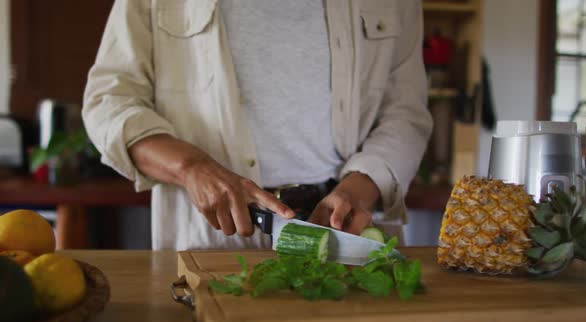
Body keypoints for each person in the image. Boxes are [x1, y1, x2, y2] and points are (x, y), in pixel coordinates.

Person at [82, 0, 433, 250]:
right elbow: (109, 102)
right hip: (213, 239)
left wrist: (359, 189)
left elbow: (406, 111)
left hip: (345, 235)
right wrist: (191, 168)